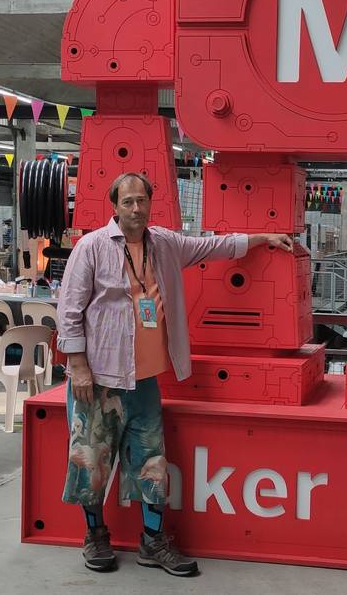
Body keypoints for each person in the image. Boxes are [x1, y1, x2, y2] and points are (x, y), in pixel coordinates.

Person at [57, 172, 293, 576]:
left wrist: (261, 237)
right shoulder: (92, 248)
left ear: (151, 202)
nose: (135, 209)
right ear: (115, 205)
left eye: (141, 201)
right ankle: (95, 536)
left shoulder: (164, 244)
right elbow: (68, 311)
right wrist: (78, 366)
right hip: (96, 380)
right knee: (91, 460)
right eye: (127, 201)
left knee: (152, 463)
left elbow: (212, 245)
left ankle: (153, 542)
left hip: (144, 380)